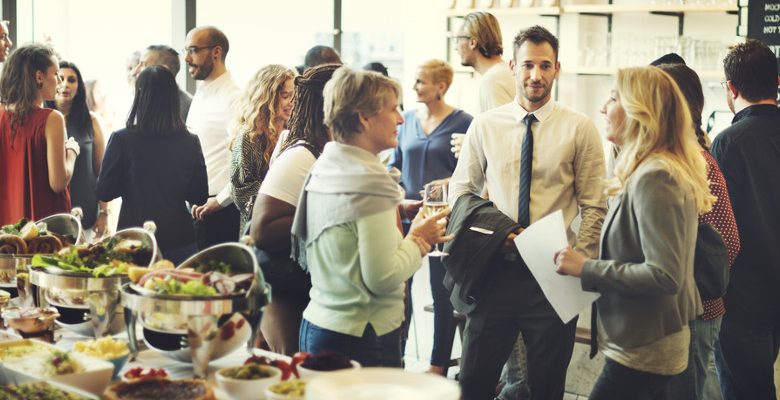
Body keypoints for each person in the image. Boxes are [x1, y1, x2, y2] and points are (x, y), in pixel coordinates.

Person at [448, 25, 606, 400]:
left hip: (553, 277)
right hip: (494, 270)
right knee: (473, 380)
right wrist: (493, 232)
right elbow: (461, 190)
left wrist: (578, 260)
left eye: (545, 66)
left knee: (547, 387)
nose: (536, 76)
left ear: (557, 69)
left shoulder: (580, 128)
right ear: (512, 66)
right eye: (528, 65)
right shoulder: (485, 125)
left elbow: (595, 205)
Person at [555, 66, 712, 399]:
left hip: (645, 347)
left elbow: (664, 275)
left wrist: (586, 267)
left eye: (613, 98)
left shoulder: (656, 176)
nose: (603, 108)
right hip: (647, 341)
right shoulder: (656, 167)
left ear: (641, 111)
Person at [290, 67, 450, 367]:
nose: (402, 119)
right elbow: (383, 278)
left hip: (320, 324)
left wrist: (395, 210)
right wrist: (419, 238)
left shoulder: (328, 164)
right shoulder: (368, 182)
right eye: (393, 109)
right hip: (362, 334)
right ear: (364, 117)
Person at [657, 63, 740, 400]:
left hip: (696, 310)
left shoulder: (696, 161)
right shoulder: (679, 157)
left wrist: (686, 287)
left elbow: (728, 242)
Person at [249, 63, 340, 355]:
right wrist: (331, 215)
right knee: (294, 371)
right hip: (285, 286)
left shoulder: (322, 148)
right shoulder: (301, 154)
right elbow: (261, 229)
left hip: (300, 285)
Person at [389, 59, 472, 376]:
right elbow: (393, 167)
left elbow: (474, 171)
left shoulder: (464, 123)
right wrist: (398, 199)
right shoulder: (405, 120)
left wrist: (450, 183)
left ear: (441, 86)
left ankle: (438, 364)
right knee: (400, 288)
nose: (414, 88)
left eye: (421, 81)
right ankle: (395, 357)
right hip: (406, 216)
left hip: (443, 220)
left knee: (442, 293)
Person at [709, 39, 780, 400]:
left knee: (746, 391)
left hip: (743, 297)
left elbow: (718, 229)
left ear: (731, 89)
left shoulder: (727, 143)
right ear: (777, 82)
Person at [96, 65, 208, 264]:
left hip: (133, 238)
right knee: (177, 293)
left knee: (131, 293)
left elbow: (104, 191)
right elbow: (199, 195)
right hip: (180, 237)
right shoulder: (190, 140)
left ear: (140, 96)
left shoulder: (122, 139)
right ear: (173, 98)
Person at [0, 44, 77, 225]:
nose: (59, 81)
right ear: (39, 77)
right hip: (44, 225)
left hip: (7, 224)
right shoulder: (52, 119)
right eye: (56, 73)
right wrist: (72, 152)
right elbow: (58, 183)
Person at [185, 25, 242, 249]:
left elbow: (245, 160)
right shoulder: (202, 93)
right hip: (197, 207)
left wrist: (219, 201)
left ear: (216, 52)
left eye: (193, 50)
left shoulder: (233, 98)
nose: (187, 59)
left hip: (219, 210)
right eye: (186, 51)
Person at [229, 64, 296, 235]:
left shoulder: (295, 129)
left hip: (289, 223)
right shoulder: (249, 136)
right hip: (260, 228)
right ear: (267, 98)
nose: (292, 103)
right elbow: (242, 191)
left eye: (295, 96)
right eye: (285, 96)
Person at [53, 61, 109, 241]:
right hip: (50, 211)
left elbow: (103, 170)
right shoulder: (42, 120)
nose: (65, 84)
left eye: (72, 80)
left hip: (86, 212)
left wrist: (104, 212)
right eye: (60, 78)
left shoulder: (92, 121)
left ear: (79, 87)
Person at [454, 11, 515, 112]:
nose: (456, 47)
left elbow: (498, 126)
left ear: (472, 42)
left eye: (458, 40)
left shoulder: (492, 79)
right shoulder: (503, 72)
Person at [132, 44, 192, 122]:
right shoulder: (143, 98)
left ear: (163, 70)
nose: (134, 71)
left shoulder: (185, 107)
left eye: (143, 64)